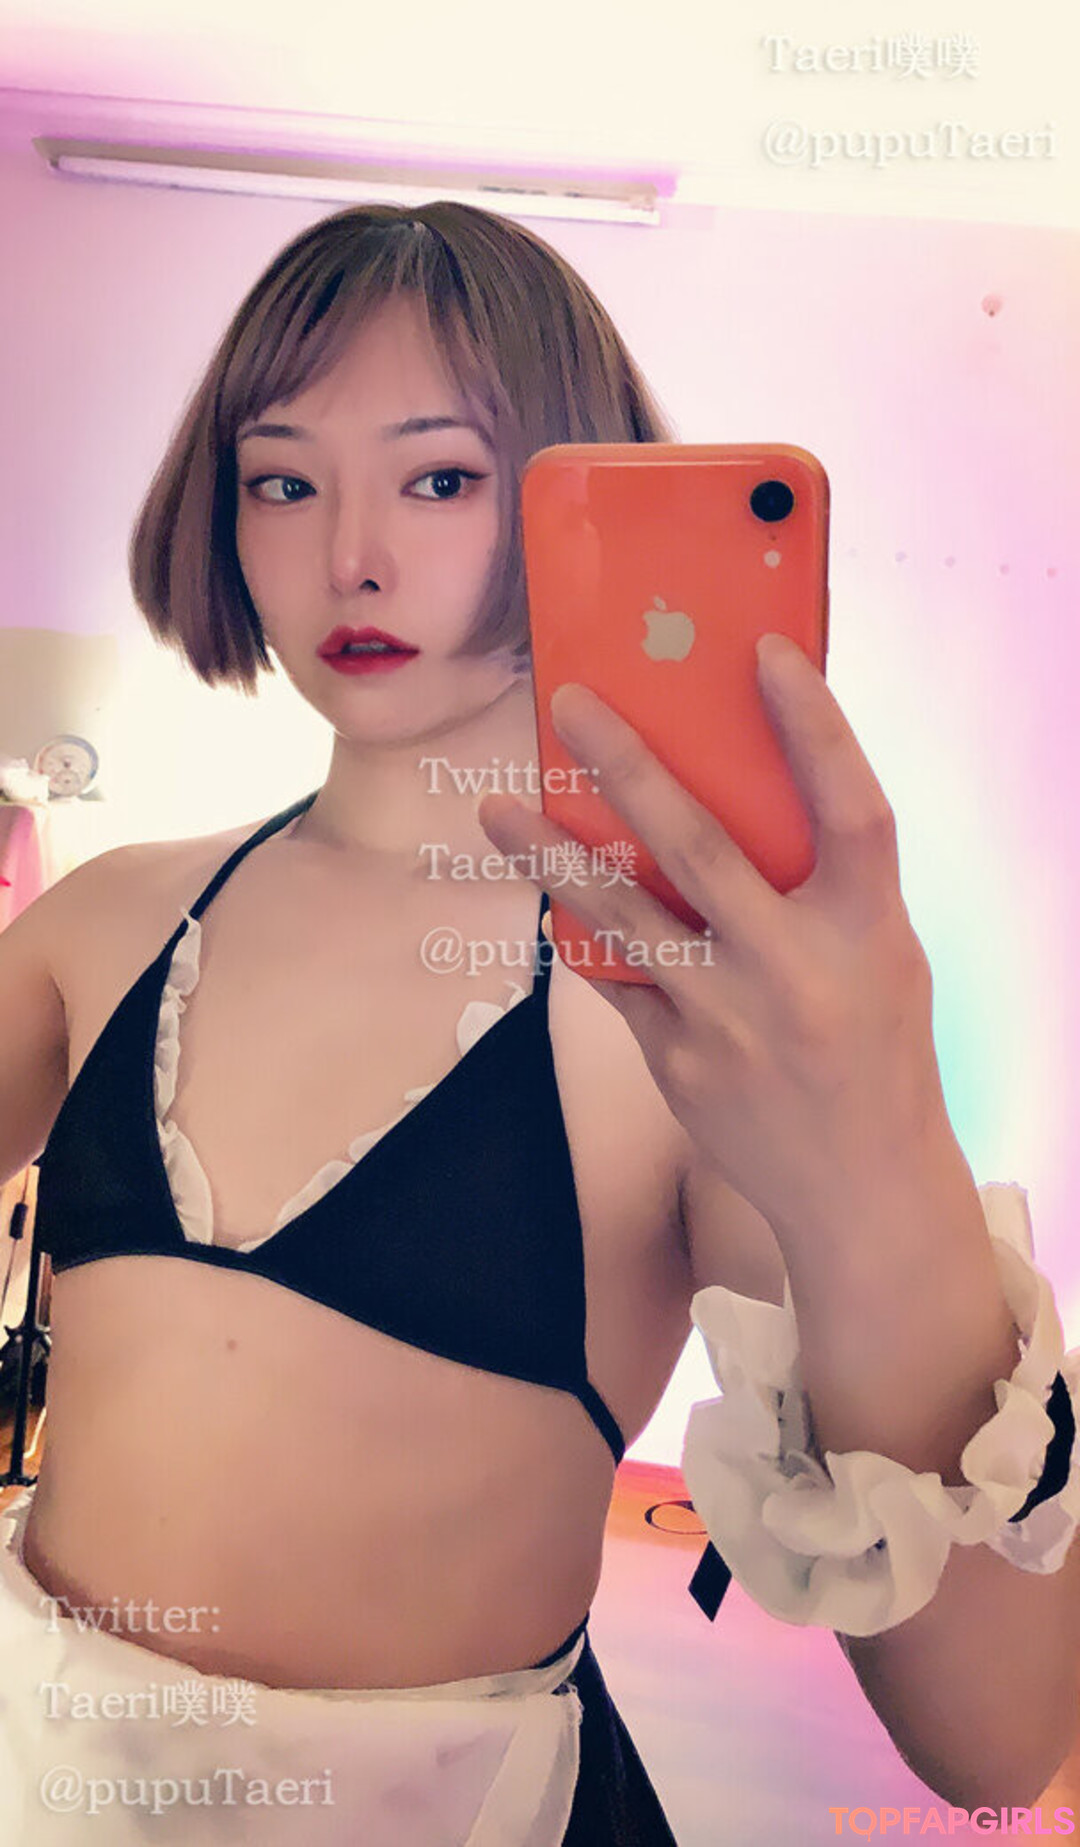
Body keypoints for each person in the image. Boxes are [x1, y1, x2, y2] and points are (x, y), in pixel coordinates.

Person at [0, 201, 1077, 1845]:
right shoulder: (106, 920)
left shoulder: (678, 1013)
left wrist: (877, 1151)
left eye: (440, 478)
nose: (351, 555)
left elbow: (995, 1737)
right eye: (282, 480)